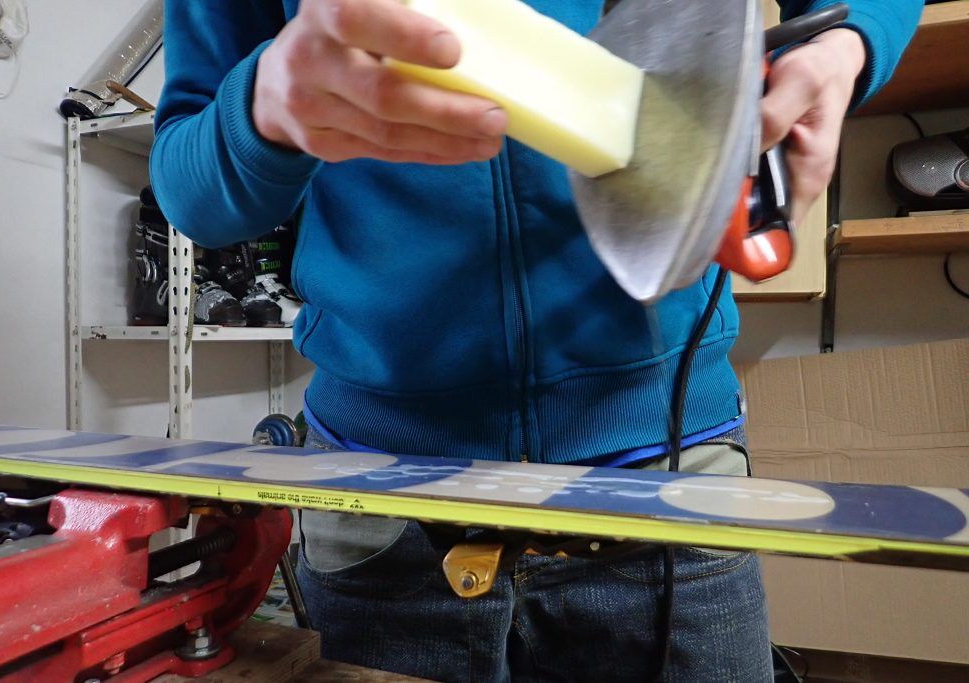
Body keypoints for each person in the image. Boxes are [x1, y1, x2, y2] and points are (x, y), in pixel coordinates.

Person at [150, 1, 922, 679]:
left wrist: (845, 41)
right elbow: (189, 180)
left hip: (668, 487)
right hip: (384, 506)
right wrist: (259, 107)